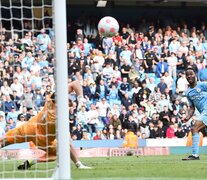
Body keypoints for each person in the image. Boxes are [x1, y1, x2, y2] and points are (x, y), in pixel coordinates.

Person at [0, 80, 92, 169]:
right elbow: (75, 83)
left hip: (31, 128)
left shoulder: (51, 101)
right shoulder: (60, 118)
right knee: (61, 151)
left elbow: (74, 84)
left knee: (5, 141)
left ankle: (32, 161)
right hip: (43, 139)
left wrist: (80, 98)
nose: (68, 99)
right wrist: (80, 99)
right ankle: (34, 161)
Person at [182, 68, 207, 160]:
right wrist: (187, 117)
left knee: (195, 128)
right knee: (196, 129)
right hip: (203, 112)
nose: (189, 76)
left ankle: (195, 155)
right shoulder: (188, 92)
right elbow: (192, 107)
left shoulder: (203, 85)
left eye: (191, 74)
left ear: (195, 75)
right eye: (187, 75)